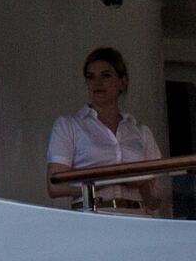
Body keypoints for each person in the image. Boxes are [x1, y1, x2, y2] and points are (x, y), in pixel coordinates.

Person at [48, 46, 169, 213]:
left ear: (122, 82)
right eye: (91, 77)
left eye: (105, 75)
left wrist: (141, 183)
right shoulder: (69, 125)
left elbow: (155, 201)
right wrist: (106, 180)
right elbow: (54, 186)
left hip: (135, 218)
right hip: (92, 217)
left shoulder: (141, 133)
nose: (98, 82)